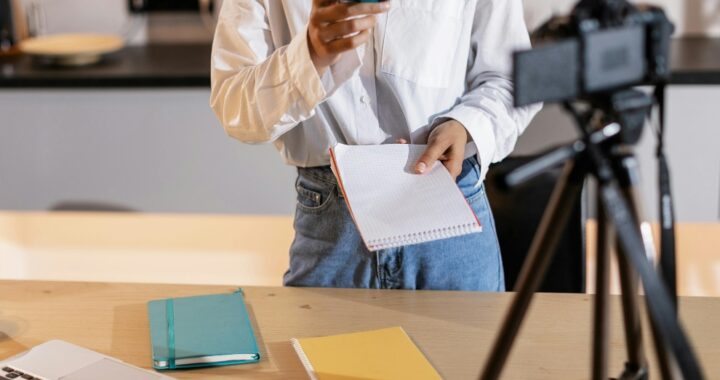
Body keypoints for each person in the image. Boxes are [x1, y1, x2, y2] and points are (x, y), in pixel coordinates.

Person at [210, 0, 541, 291]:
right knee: (324, 363)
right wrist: (309, 55)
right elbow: (234, 106)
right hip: (331, 225)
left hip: (449, 209)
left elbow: (512, 77)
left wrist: (468, 125)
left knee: (469, 362)